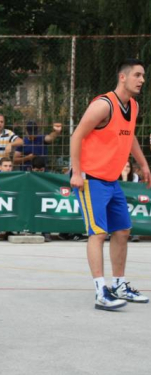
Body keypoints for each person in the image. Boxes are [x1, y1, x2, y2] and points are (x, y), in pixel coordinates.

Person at [70, 58, 150, 311]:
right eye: (138, 75)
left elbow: (130, 137)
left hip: (112, 179)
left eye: (143, 76)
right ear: (123, 77)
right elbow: (77, 135)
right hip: (91, 179)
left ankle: (119, 284)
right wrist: (77, 173)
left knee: (123, 231)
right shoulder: (104, 105)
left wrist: (144, 164)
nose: (142, 80)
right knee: (98, 233)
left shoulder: (133, 106)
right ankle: (100, 291)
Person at [119, 159, 140, 242]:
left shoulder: (135, 177)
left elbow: (132, 191)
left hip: (130, 201)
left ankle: (135, 233)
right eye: (124, 166)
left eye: (128, 166)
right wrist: (124, 177)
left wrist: (125, 177)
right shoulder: (113, 176)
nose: (126, 168)